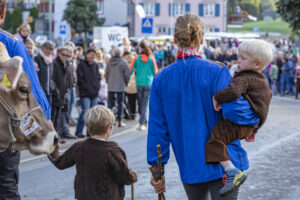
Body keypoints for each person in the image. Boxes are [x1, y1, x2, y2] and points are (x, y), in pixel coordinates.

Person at [147, 14, 249, 200]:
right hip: (225, 160)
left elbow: (157, 130)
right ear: (201, 40)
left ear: (175, 39)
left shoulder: (161, 79)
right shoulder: (217, 71)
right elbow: (236, 113)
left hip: (190, 161)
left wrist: (157, 170)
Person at [205, 39, 273, 196]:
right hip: (250, 125)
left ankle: (232, 171)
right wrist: (255, 129)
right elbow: (263, 108)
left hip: (238, 124)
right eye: (239, 56)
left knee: (215, 140)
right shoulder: (262, 81)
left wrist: (217, 96)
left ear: (257, 64)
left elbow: (233, 92)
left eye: (243, 58)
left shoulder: (245, 77)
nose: (238, 60)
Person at [0, 1, 51, 199]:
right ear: (3, 13)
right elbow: (32, 91)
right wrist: (45, 124)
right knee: (6, 187)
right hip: (6, 132)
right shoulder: (10, 43)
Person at [48, 105, 138, 200]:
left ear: (87, 127)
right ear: (108, 128)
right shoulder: (112, 151)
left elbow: (60, 163)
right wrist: (133, 174)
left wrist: (54, 150)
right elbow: (125, 178)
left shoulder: (78, 147)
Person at [129, 40, 158, 130]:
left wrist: (127, 80)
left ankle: (142, 123)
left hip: (139, 83)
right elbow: (155, 72)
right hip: (149, 83)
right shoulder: (151, 58)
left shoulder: (136, 58)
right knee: (144, 104)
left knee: (142, 103)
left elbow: (130, 70)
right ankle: (144, 122)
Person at [52, 46, 77, 139]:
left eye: (68, 55)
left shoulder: (66, 63)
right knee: (55, 116)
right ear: (59, 53)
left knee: (62, 114)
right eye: (64, 54)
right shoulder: (55, 63)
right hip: (56, 93)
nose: (65, 57)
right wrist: (57, 91)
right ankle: (56, 136)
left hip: (64, 92)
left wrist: (65, 91)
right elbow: (53, 79)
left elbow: (66, 79)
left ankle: (59, 135)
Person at [75, 47, 100, 138]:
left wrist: (97, 87)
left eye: (93, 54)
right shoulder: (81, 65)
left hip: (94, 93)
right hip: (85, 93)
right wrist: (85, 87)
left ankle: (90, 132)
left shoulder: (96, 65)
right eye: (90, 54)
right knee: (85, 112)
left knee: (93, 114)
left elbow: (98, 77)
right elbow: (80, 79)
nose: (92, 56)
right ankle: (79, 131)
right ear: (86, 55)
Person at [105, 47, 130, 127]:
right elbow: (127, 74)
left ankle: (109, 122)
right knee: (120, 103)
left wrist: (108, 81)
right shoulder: (123, 62)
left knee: (110, 105)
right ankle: (120, 120)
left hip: (111, 86)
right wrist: (126, 82)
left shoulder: (109, 62)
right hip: (120, 86)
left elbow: (106, 74)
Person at [35, 41, 56, 106]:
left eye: (51, 49)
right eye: (47, 48)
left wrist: (53, 86)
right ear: (42, 48)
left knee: (48, 110)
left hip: (49, 90)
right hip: (41, 90)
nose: (48, 51)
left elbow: (53, 75)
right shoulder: (37, 58)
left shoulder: (52, 60)